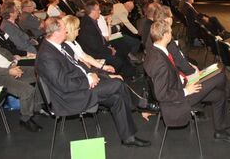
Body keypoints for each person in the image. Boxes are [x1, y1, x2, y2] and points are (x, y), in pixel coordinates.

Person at [35, 17, 151, 147]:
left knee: (117, 98)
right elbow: (63, 85)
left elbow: (78, 64)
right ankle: (141, 106)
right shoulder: (47, 55)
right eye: (64, 30)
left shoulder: (59, 46)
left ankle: (129, 138)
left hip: (80, 84)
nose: (66, 32)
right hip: (70, 97)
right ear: (56, 33)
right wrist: (88, 79)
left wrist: (90, 73)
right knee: (117, 84)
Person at [144, 20, 230, 143]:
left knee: (219, 94)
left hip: (181, 85)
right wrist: (186, 90)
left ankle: (220, 131)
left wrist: (187, 80)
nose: (172, 33)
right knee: (220, 75)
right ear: (165, 35)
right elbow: (162, 94)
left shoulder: (155, 50)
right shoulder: (160, 61)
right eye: (170, 31)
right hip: (178, 100)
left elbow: (169, 77)